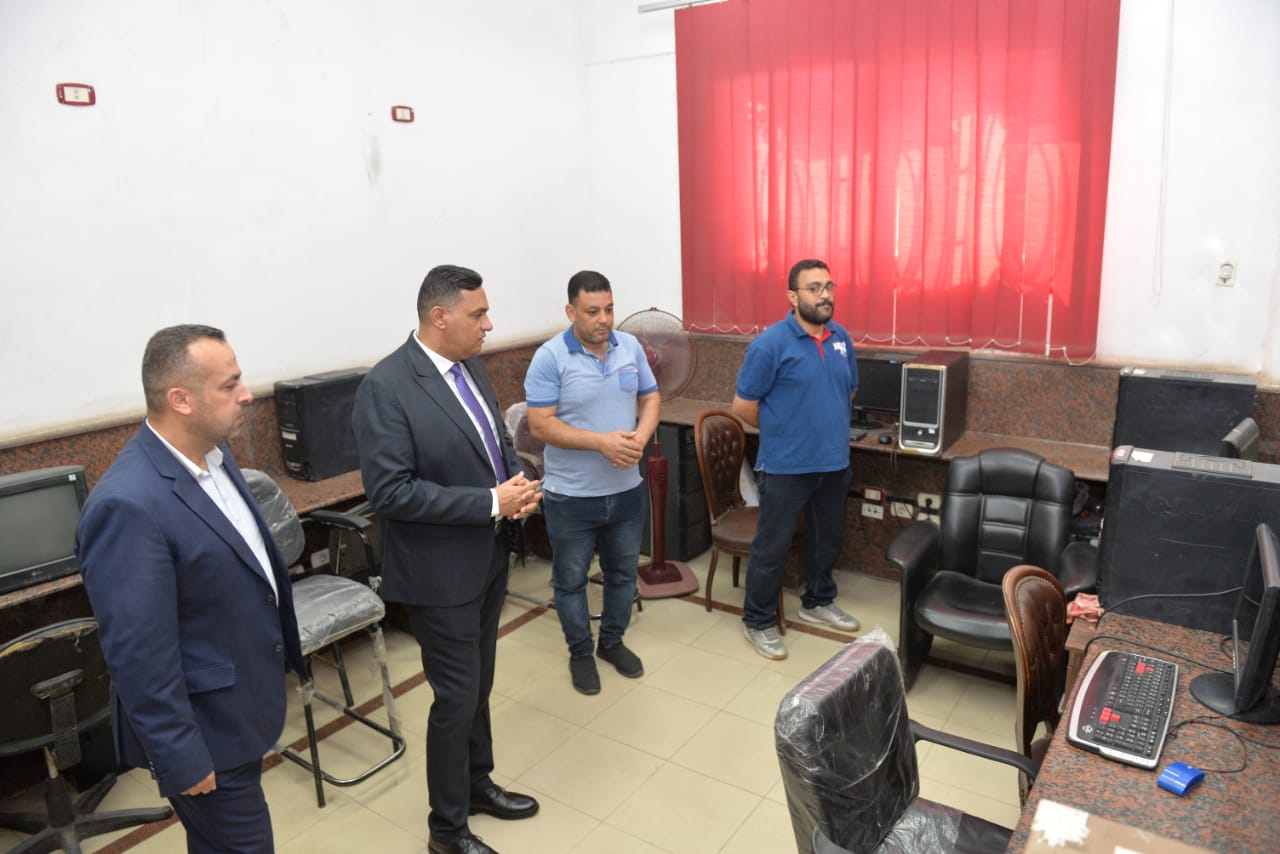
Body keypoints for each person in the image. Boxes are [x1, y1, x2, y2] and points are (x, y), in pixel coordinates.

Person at [75, 324, 307, 853]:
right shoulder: (127, 505)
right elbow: (138, 653)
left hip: (242, 707)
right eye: (229, 385)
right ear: (180, 399)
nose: (247, 394)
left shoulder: (214, 454)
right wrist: (181, 755)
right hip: (206, 735)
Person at [352, 264, 542, 854]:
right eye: (478, 314)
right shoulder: (386, 387)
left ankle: (477, 784)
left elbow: (494, 442)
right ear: (440, 316)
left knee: (479, 686)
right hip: (439, 574)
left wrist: (516, 484)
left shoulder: (470, 365)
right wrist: (490, 501)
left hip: (487, 555)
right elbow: (391, 493)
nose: (489, 324)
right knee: (456, 698)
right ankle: (447, 830)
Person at [523, 270, 660, 695]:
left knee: (622, 575)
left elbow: (651, 397)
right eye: (592, 311)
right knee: (571, 581)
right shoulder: (550, 357)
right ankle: (581, 652)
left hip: (626, 492)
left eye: (609, 309)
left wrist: (641, 436)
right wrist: (600, 443)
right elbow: (540, 425)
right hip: (571, 497)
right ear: (571, 312)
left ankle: (612, 642)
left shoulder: (630, 347)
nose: (604, 319)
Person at [732, 259, 861, 661]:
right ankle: (758, 621)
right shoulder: (770, 344)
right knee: (772, 548)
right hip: (786, 466)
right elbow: (743, 406)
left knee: (826, 541)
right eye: (814, 288)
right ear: (792, 296)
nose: (825, 295)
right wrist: (784, 431)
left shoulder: (841, 338)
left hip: (833, 462)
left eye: (829, 286)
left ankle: (818, 601)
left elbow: (848, 392)